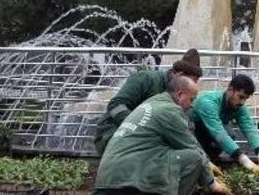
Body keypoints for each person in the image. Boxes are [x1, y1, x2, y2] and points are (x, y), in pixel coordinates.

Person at [94, 75, 232, 195]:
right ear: (179, 94)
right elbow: (192, 147)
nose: (192, 105)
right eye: (191, 99)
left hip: (109, 178)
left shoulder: (154, 102)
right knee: (194, 158)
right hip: (125, 181)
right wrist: (212, 184)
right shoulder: (170, 111)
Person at [94, 49, 203, 156]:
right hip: (114, 132)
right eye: (192, 81)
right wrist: (139, 127)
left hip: (148, 140)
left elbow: (187, 129)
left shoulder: (183, 96)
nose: (193, 86)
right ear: (179, 75)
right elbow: (115, 105)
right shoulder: (146, 78)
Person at [191, 74, 259, 175]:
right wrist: (244, 160)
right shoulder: (208, 103)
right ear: (230, 90)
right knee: (203, 147)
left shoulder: (238, 106)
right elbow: (219, 134)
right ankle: (200, 164)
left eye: (245, 99)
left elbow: (249, 129)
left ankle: (211, 161)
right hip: (191, 130)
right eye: (240, 97)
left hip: (209, 131)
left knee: (230, 135)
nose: (242, 102)